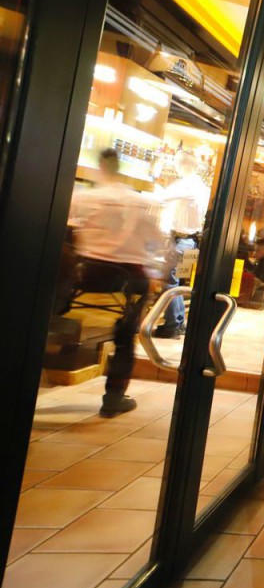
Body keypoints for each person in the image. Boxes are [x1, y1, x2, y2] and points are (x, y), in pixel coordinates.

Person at [68, 148, 167, 417]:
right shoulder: (136, 202)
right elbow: (159, 242)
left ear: (100, 167)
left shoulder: (83, 198)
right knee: (125, 338)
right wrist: (158, 269)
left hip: (85, 278)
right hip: (127, 282)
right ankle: (113, 397)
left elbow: (68, 231)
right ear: (119, 167)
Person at [153, 151, 209, 338]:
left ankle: (173, 325)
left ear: (180, 164)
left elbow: (161, 197)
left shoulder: (186, 185)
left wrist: (154, 175)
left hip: (181, 240)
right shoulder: (203, 187)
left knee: (170, 281)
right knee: (175, 282)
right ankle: (177, 322)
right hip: (191, 241)